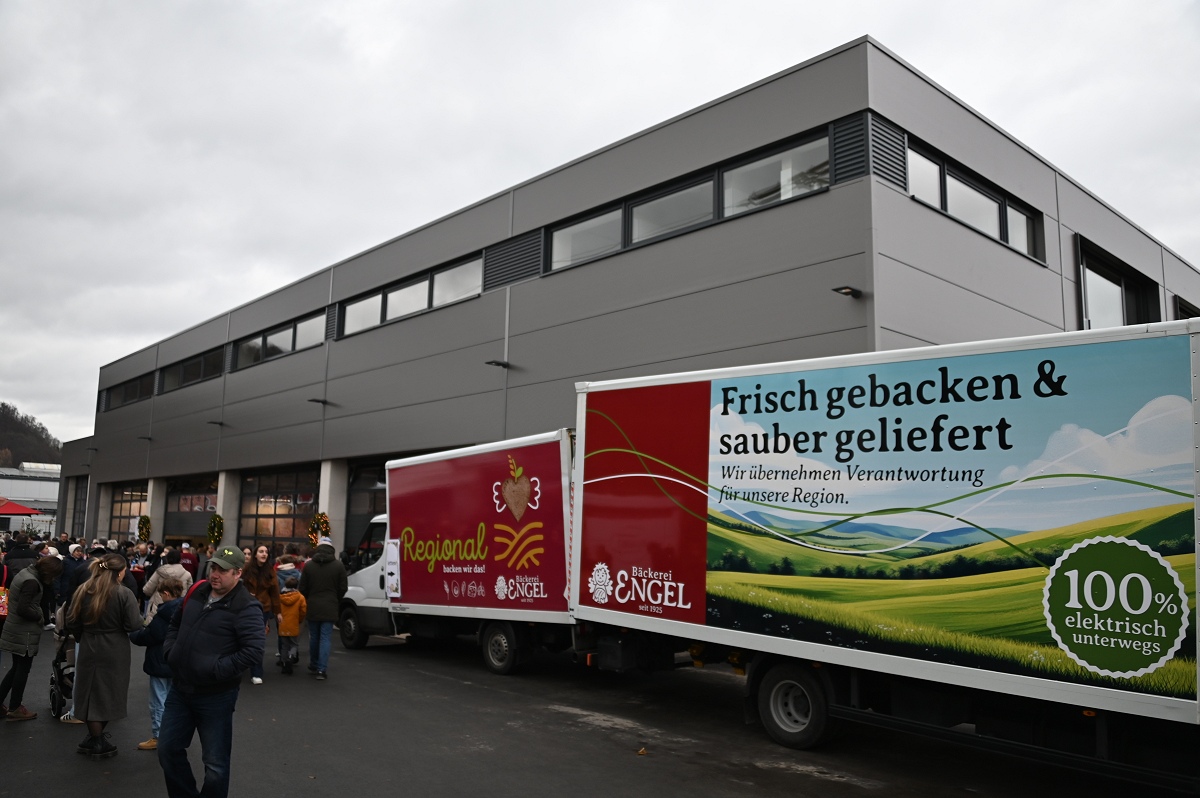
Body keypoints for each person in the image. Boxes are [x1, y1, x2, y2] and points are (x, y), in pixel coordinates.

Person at [159, 545, 264, 798]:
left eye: (223, 570)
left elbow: (253, 651)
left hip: (216, 696)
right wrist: (171, 651)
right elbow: (175, 622)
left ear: (238, 573)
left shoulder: (247, 606)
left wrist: (216, 669)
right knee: (167, 750)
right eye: (213, 567)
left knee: (215, 765)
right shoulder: (197, 590)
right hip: (180, 689)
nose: (215, 574)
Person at [67, 553, 143, 759]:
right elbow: (133, 624)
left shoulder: (84, 589)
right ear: (119, 572)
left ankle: (94, 738)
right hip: (114, 647)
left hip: (89, 644)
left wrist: (82, 636)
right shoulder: (123, 593)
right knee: (111, 692)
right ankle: (98, 740)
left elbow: (71, 619)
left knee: (89, 691)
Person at [0, 556, 63, 720]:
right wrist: (40, 617)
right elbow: (23, 608)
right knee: (22, 670)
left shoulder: (27, 573)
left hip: (16, 628)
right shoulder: (32, 582)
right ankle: (15, 707)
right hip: (24, 631)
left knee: (16, 668)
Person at [129, 577, 183, 751]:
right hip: (176, 661)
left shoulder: (165, 613)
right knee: (175, 700)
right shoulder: (185, 609)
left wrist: (133, 633)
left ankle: (159, 735)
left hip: (160, 660)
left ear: (166, 593)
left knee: (158, 701)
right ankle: (174, 734)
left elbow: (150, 635)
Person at [298, 536, 346, 681]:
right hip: (330, 605)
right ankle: (321, 669)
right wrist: (335, 599)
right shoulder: (338, 566)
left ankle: (313, 664)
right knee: (325, 638)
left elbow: (302, 588)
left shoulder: (309, 566)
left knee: (314, 637)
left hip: (313, 604)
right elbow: (343, 588)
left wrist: (309, 598)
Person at [241, 544, 281, 685]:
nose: (264, 554)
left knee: (258, 640)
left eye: (266, 552)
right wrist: (247, 594)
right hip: (246, 608)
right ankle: (242, 663)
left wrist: (278, 612)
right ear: (255, 554)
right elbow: (238, 586)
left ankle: (257, 672)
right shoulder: (247, 569)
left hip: (263, 609)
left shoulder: (270, 571)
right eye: (261, 551)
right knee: (244, 638)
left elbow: (275, 592)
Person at [143, 548, 192, 622]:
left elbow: (147, 590)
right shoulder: (187, 575)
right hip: (177, 608)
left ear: (167, 558)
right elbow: (189, 594)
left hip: (157, 606)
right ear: (180, 559)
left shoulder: (160, 572)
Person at [277, 576, 306, 675]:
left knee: (284, 645)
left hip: (283, 624)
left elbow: (277, 609)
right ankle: (291, 656)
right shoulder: (300, 597)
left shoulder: (280, 597)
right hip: (294, 623)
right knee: (294, 644)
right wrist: (300, 619)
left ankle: (284, 662)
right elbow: (303, 610)